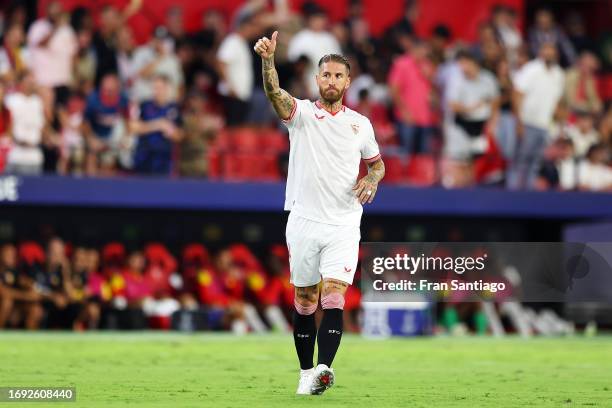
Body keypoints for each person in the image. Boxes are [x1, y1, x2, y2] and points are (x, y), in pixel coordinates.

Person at [254, 31, 385, 395]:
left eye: (338, 75)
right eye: (325, 75)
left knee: (333, 295)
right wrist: (268, 61)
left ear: (348, 81)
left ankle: (324, 370)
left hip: (344, 222)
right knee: (306, 299)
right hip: (305, 221)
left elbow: (377, 165)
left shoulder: (361, 124)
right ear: (317, 80)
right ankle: (305, 372)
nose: (331, 81)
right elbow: (274, 94)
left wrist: (372, 180)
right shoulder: (303, 114)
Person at [508, 42, 565, 189]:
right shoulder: (531, 69)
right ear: (541, 53)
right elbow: (517, 93)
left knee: (535, 162)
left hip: (544, 124)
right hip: (528, 121)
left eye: (551, 52)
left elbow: (556, 101)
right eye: (546, 51)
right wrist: (519, 121)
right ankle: (513, 193)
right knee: (521, 159)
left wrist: (559, 124)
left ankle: (527, 195)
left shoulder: (558, 74)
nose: (549, 55)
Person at [129, 74, 183, 176]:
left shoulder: (174, 108)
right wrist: (157, 125)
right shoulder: (144, 105)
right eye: (155, 87)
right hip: (143, 157)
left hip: (164, 161)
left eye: (160, 88)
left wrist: (170, 130)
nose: (157, 91)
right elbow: (133, 127)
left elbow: (179, 136)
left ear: (167, 88)